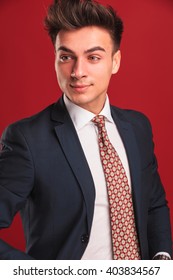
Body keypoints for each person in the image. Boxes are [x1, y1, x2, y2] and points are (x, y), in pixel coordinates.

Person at [0, 0, 172, 260]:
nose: (78, 72)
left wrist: (162, 260)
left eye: (93, 57)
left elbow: (154, 203)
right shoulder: (27, 139)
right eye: (66, 57)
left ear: (115, 61)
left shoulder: (138, 127)